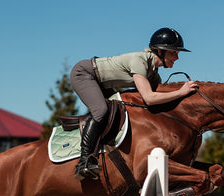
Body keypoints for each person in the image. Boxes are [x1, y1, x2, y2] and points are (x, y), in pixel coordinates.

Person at [70, 27, 198, 180]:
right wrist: (181, 92)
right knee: (101, 110)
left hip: (102, 83)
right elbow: (149, 98)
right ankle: (84, 161)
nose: (177, 58)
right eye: (174, 53)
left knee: (123, 111)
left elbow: (158, 100)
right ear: (160, 51)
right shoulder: (140, 61)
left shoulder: (153, 75)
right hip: (84, 74)